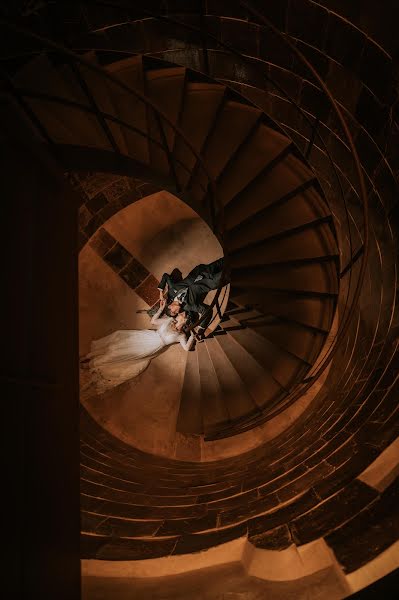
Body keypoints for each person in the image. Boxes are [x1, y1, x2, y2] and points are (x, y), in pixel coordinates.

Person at [80, 299, 195, 398]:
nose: (180, 314)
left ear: (185, 320)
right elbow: (153, 321)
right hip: (147, 336)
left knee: (120, 353)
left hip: (152, 347)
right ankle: (89, 356)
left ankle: (93, 364)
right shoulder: (170, 320)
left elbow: (186, 348)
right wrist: (161, 309)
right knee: (118, 344)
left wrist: (193, 336)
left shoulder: (181, 335)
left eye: (182, 314)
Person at [158, 257, 226, 338]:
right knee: (229, 272)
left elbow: (166, 276)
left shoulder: (172, 291)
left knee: (224, 261)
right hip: (212, 281)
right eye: (176, 314)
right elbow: (206, 310)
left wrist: (160, 292)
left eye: (174, 312)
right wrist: (201, 328)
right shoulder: (188, 306)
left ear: (170, 306)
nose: (177, 312)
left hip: (201, 270)